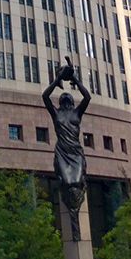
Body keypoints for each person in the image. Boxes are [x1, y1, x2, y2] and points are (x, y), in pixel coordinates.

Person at [42, 59, 91, 240]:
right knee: (66, 182)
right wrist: (57, 80)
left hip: (75, 152)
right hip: (62, 152)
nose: (65, 98)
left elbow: (87, 97)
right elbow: (45, 97)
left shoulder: (77, 112)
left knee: (77, 182)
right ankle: (73, 222)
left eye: (67, 97)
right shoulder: (56, 113)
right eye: (63, 97)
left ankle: (75, 222)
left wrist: (75, 79)